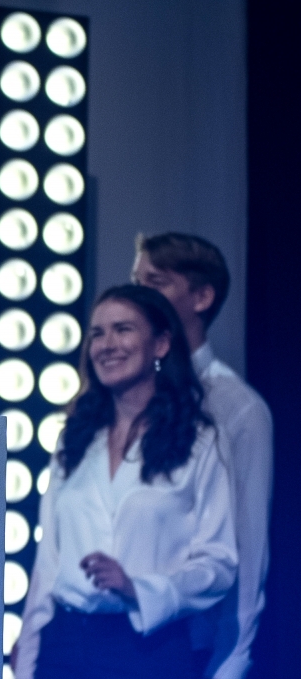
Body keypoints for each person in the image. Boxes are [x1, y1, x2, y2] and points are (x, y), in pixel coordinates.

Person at [15, 285, 237, 679]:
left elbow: (218, 563)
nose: (106, 345)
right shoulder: (75, 437)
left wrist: (139, 588)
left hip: (149, 650)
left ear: (161, 344)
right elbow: (48, 563)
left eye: (122, 329)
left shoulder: (200, 442)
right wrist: (29, 648)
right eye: (97, 333)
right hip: (65, 643)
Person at [133, 233, 272, 679]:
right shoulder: (124, 392)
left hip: (188, 646)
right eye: (135, 282)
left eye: (155, 282)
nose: (138, 295)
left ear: (202, 297)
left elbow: (248, 547)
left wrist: (232, 662)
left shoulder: (236, 407)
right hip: (109, 638)